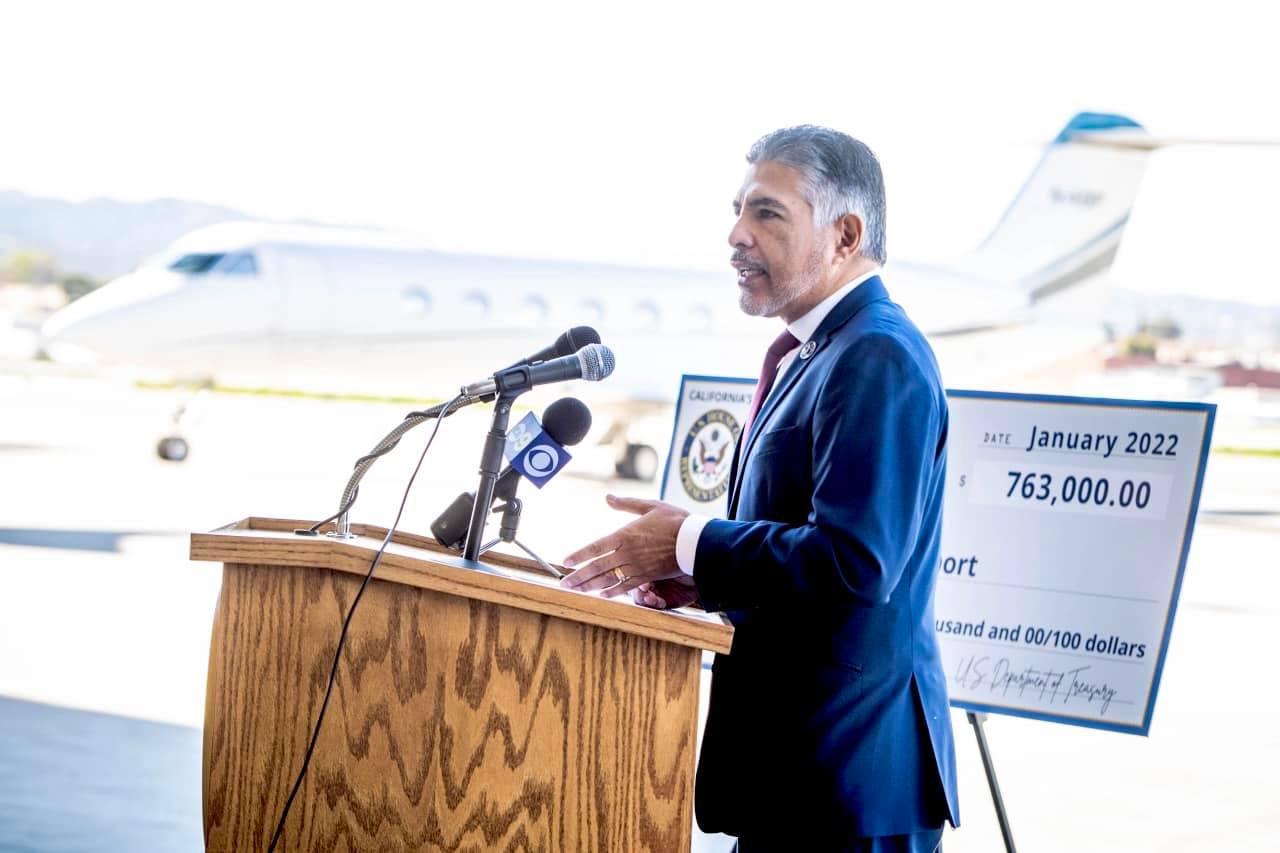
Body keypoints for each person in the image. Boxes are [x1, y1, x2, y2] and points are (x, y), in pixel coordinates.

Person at [560, 126, 959, 852]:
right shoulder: (819, 350)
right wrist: (700, 574)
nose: (736, 235)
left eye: (767, 213)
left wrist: (689, 538)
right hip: (797, 779)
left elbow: (856, 563)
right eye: (738, 210)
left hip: (849, 783)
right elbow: (807, 554)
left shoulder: (876, 354)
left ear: (844, 234)